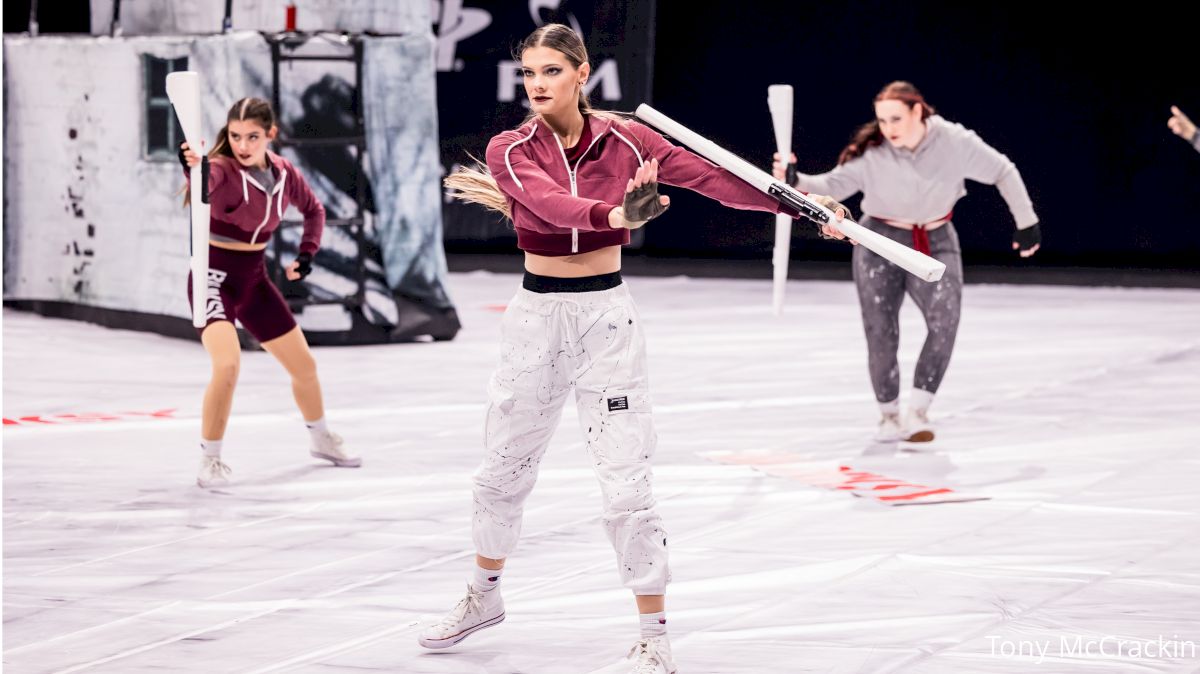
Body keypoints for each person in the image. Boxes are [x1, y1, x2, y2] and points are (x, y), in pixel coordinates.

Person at [419, 23, 845, 674]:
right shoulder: (511, 148)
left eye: (551, 72)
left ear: (581, 72)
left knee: (626, 484)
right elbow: (550, 205)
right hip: (534, 319)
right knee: (502, 471)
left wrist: (798, 206)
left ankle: (655, 636)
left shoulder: (629, 137)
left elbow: (711, 176)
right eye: (529, 73)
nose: (536, 84)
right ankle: (483, 597)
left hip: (605, 319)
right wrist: (616, 217)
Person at [774, 81, 1040, 442]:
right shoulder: (873, 151)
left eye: (896, 118)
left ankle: (918, 411)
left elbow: (1003, 170)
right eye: (882, 120)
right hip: (878, 240)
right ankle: (888, 415)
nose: (888, 128)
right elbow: (832, 185)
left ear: (919, 111)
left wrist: (1027, 222)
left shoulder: (955, 142)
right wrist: (795, 180)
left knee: (945, 319)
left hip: (936, 237)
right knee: (881, 329)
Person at [178, 97, 360, 488]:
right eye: (235, 136)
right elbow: (204, 183)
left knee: (304, 367)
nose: (243, 145)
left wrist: (307, 254)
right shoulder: (222, 170)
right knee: (227, 366)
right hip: (213, 277)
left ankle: (321, 437)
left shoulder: (283, 172)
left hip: (255, 278)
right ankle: (210, 458)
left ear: (270, 135)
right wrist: (195, 166)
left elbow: (314, 210)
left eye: (253, 137)